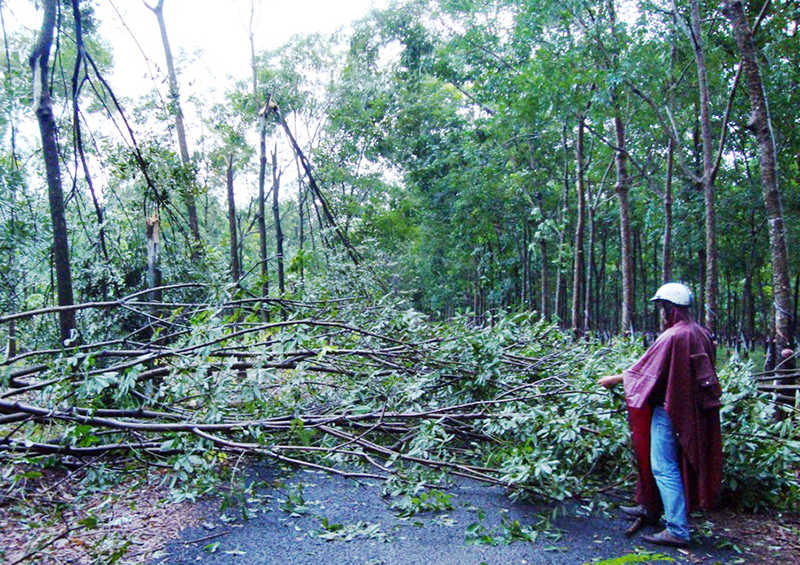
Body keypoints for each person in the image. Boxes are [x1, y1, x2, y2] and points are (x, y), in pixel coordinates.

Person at [598, 283, 723, 548]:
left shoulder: (672, 337)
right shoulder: (700, 332)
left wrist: (613, 379)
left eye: (662, 307)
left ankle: (677, 529)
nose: (661, 313)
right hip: (689, 410)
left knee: (663, 466)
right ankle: (651, 508)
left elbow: (645, 372)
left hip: (670, 410)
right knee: (668, 462)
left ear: (670, 308)